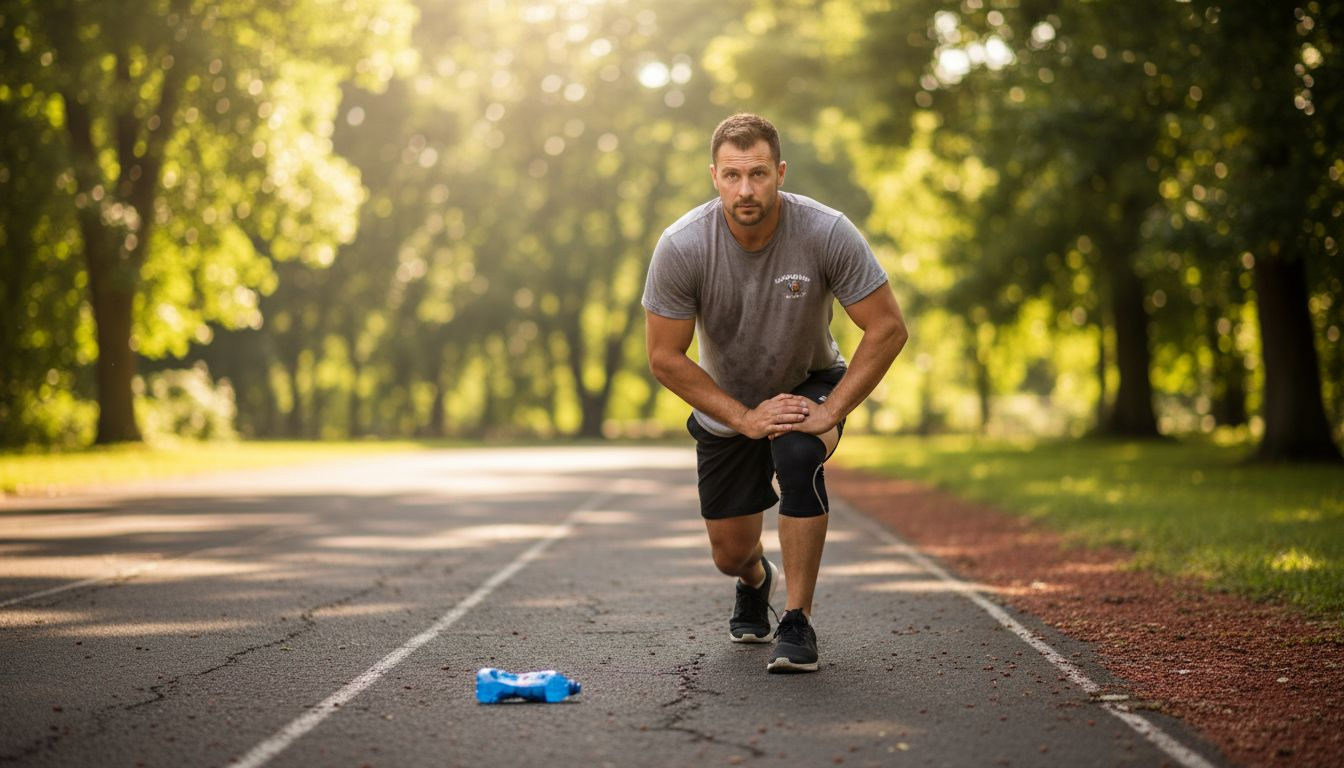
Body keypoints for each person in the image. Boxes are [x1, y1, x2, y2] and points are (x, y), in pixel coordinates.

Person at [642, 113, 908, 673]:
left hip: (808, 382)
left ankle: (797, 622)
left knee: (798, 452)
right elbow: (665, 356)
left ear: (780, 172)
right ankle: (755, 580)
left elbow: (887, 326)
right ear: (713, 176)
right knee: (729, 554)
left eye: (759, 173)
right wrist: (743, 418)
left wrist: (831, 410)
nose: (746, 189)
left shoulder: (826, 231)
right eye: (733, 175)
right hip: (728, 402)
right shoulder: (683, 245)